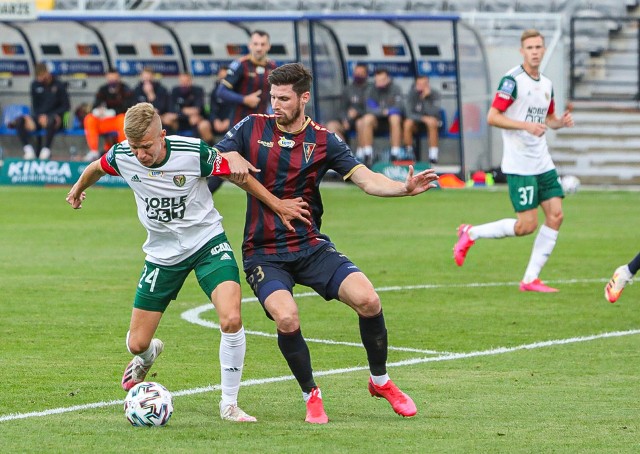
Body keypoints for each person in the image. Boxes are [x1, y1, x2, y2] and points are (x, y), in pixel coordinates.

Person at [212, 63, 438, 424]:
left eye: (284, 99)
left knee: (368, 299)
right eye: (273, 97)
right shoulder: (252, 126)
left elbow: (365, 179)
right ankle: (310, 394)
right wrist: (228, 154)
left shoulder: (323, 140)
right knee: (286, 318)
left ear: (304, 98)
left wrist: (402, 189)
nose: (276, 105)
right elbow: (215, 156)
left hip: (310, 245)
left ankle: (380, 382)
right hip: (264, 251)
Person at [65, 102, 311, 422]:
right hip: (162, 255)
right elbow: (97, 166)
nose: (140, 154)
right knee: (136, 343)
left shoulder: (193, 152)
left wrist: (277, 204)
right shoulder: (122, 154)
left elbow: (239, 177)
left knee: (231, 319)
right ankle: (148, 355)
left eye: (147, 147)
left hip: (207, 242)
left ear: (162, 136)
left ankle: (229, 404)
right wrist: (78, 188)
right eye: (135, 147)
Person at [453, 29, 574, 292]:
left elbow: (549, 119)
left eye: (538, 47)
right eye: (529, 47)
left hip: (542, 162)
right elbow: (493, 116)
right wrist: (526, 126)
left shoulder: (547, 84)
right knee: (526, 226)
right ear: (522, 51)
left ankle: (530, 279)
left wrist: (560, 123)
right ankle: (470, 233)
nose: (534, 51)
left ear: (543, 50)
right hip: (520, 165)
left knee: (556, 215)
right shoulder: (512, 80)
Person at [217, 30, 276, 126]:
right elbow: (221, 92)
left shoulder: (272, 67)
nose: (259, 48)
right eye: (256, 44)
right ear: (250, 45)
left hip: (262, 123)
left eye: (263, 44)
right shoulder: (240, 64)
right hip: (240, 123)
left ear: (268, 46)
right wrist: (244, 99)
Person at [13, 62, 70, 160]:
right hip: (39, 117)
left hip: (56, 118)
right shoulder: (35, 85)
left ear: (47, 73)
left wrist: (51, 115)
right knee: (19, 121)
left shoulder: (59, 85)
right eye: (38, 76)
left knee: (51, 120)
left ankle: (46, 150)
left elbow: (66, 106)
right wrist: (37, 117)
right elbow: (35, 106)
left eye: (42, 75)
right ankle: (28, 150)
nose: (40, 79)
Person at [84, 68, 134, 161]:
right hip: (104, 121)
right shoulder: (103, 89)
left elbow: (128, 107)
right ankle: (93, 151)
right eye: (110, 79)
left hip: (117, 120)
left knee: (123, 119)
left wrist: (112, 112)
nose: (112, 81)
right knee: (89, 118)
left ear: (118, 78)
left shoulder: (125, 89)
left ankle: (123, 151)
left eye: (114, 79)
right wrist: (97, 111)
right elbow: (96, 104)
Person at [357, 68, 405, 165]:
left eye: (382, 80)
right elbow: (369, 108)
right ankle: (368, 154)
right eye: (377, 80)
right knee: (366, 119)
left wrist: (388, 111)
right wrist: (383, 112)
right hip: (376, 123)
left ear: (388, 79)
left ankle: (395, 154)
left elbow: (399, 107)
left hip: (391, 123)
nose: (380, 83)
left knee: (395, 117)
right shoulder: (371, 89)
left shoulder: (396, 88)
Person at [162, 73, 213, 144]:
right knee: (167, 119)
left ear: (191, 81)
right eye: (182, 81)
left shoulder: (198, 90)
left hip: (197, 120)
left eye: (186, 81)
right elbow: (171, 110)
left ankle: (208, 147)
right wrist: (184, 112)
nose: (184, 83)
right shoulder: (175, 90)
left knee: (201, 123)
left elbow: (197, 109)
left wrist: (181, 111)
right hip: (180, 120)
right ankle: (168, 145)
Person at [325, 63, 370, 143]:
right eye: (356, 73)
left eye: (360, 73)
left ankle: (363, 153)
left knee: (361, 123)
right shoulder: (348, 89)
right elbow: (342, 108)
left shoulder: (371, 89)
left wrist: (357, 112)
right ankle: (344, 152)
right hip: (348, 121)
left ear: (366, 75)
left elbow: (373, 109)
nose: (358, 75)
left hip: (364, 120)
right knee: (331, 125)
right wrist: (344, 119)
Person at [207, 65, 234, 194]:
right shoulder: (215, 91)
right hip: (221, 129)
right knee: (223, 164)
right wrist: (215, 120)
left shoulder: (236, 92)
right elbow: (212, 110)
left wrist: (229, 120)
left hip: (235, 127)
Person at [402, 75, 441, 163]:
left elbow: (434, 113)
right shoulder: (411, 94)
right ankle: (409, 153)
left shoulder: (435, 94)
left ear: (428, 84)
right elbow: (408, 114)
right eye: (419, 84)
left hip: (430, 124)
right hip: (415, 123)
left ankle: (433, 155)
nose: (422, 86)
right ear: (416, 84)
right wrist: (423, 118)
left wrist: (425, 99)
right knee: (407, 123)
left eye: (424, 84)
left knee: (432, 122)